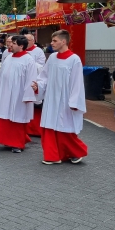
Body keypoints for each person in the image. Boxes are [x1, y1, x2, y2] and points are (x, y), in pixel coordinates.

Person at [32, 30, 87, 164]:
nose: (51, 43)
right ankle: (52, 156)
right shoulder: (52, 58)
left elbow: (77, 83)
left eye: (54, 41)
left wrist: (75, 102)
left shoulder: (74, 59)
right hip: (51, 98)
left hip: (65, 100)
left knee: (65, 129)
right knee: (49, 127)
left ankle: (77, 152)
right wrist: (38, 86)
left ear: (64, 41)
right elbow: (44, 76)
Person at [0, 36, 37, 153]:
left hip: (19, 94)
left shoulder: (28, 60)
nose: (10, 45)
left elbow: (31, 79)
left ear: (21, 46)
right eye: (10, 43)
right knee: (5, 115)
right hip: (5, 93)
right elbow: (1, 76)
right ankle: (7, 140)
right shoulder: (8, 58)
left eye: (14, 43)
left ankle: (17, 143)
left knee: (17, 117)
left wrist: (28, 96)